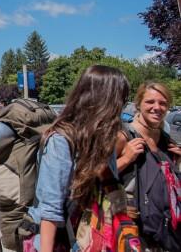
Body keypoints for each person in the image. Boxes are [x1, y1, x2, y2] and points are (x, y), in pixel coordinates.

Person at [26, 65, 130, 252]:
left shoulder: (104, 138)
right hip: (64, 240)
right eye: (120, 99)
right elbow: (50, 210)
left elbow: (109, 187)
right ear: (103, 100)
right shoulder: (61, 140)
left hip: (95, 236)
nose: (122, 106)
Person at [116, 82, 181, 250]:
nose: (157, 107)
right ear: (138, 104)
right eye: (150, 102)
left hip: (164, 231)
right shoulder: (124, 136)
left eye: (163, 103)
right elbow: (92, 175)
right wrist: (126, 159)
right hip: (132, 232)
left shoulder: (166, 140)